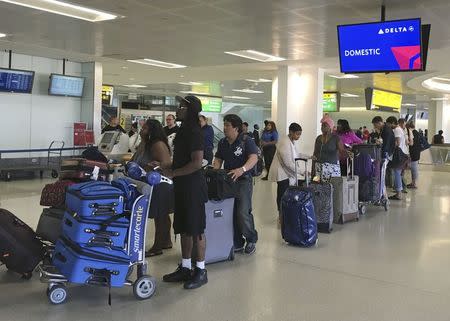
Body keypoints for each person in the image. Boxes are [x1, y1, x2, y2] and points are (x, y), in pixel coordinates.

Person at [159, 95, 208, 290]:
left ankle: (201, 270)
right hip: (181, 185)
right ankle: (186, 267)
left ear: (190, 110)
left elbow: (196, 162)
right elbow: (180, 159)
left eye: (181, 107)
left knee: (196, 229)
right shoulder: (183, 131)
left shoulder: (195, 132)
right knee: (184, 227)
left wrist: (173, 173)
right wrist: (164, 165)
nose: (177, 110)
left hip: (193, 187)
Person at [214, 114, 259, 255]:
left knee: (242, 211)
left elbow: (254, 158)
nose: (224, 127)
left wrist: (242, 170)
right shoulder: (223, 142)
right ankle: (237, 242)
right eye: (224, 124)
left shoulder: (246, 140)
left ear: (236, 128)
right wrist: (214, 172)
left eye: (227, 125)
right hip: (228, 181)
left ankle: (251, 239)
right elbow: (218, 159)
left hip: (243, 181)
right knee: (230, 212)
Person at [130, 119, 173, 257]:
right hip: (151, 183)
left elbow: (166, 163)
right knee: (161, 215)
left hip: (161, 183)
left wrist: (155, 165)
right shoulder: (146, 144)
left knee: (160, 215)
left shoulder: (158, 144)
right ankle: (166, 241)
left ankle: (158, 246)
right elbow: (136, 159)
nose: (142, 130)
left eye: (145, 128)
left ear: (152, 130)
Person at [268, 123, 304, 226]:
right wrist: (301, 171)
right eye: (297, 134)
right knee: (282, 195)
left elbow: (297, 154)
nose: (298, 137)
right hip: (282, 173)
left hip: (286, 173)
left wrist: (309, 156)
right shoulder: (284, 142)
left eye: (300, 134)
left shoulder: (291, 141)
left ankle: (284, 215)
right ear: (291, 132)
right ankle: (281, 216)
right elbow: (288, 162)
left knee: (285, 195)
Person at [312, 116, 347, 181]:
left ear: (330, 127)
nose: (322, 128)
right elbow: (315, 155)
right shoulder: (318, 138)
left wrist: (348, 153)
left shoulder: (336, 138)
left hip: (332, 170)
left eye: (324, 126)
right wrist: (312, 172)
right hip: (319, 169)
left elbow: (342, 151)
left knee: (332, 188)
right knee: (318, 188)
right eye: (322, 126)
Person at [386, 116, 409, 201]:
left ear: (392, 123)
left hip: (399, 154)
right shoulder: (399, 129)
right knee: (398, 172)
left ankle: (399, 193)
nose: (388, 126)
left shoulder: (397, 130)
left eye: (388, 124)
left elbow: (398, 143)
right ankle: (398, 192)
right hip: (403, 153)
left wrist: (389, 146)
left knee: (396, 172)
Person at [406, 122, 421, 189]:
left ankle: (414, 183)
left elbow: (411, 143)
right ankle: (413, 182)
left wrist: (406, 143)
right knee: (414, 168)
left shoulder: (412, 132)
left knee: (414, 168)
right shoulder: (416, 132)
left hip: (414, 153)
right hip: (416, 152)